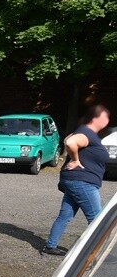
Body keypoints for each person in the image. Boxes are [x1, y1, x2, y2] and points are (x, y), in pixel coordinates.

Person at [43, 105, 111, 256]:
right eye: (105, 118)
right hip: (82, 182)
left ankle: (50, 246)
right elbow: (70, 142)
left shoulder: (85, 131)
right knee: (96, 219)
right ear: (96, 118)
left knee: (65, 215)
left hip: (76, 181)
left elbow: (68, 138)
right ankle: (93, 253)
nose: (107, 121)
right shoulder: (86, 133)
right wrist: (75, 160)